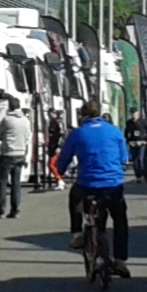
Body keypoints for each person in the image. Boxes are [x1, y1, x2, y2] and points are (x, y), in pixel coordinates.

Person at [56, 101, 132, 277]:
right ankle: (120, 259)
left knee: (75, 197)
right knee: (120, 219)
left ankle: (77, 233)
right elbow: (124, 158)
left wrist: (60, 171)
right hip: (113, 184)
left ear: (82, 115)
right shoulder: (115, 131)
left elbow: (64, 158)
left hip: (88, 184)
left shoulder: (78, 133)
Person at [0, 96, 31, 219]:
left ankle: (1, 209)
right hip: (21, 153)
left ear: (9, 107)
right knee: (16, 183)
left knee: (2, 182)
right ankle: (15, 210)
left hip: (7, 154)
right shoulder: (26, 120)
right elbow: (27, 137)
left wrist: (5, 138)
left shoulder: (7, 120)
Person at [126, 111, 147, 182]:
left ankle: (145, 174)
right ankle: (138, 175)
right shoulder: (129, 123)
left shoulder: (143, 122)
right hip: (133, 143)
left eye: (135, 114)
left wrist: (145, 141)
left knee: (141, 159)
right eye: (132, 114)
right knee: (135, 160)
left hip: (142, 143)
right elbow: (127, 132)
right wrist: (129, 141)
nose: (134, 116)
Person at [46, 110, 66, 190]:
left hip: (56, 146)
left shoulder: (55, 123)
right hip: (55, 146)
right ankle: (59, 181)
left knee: (52, 164)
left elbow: (60, 135)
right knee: (54, 164)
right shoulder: (60, 122)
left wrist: (58, 146)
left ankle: (60, 180)